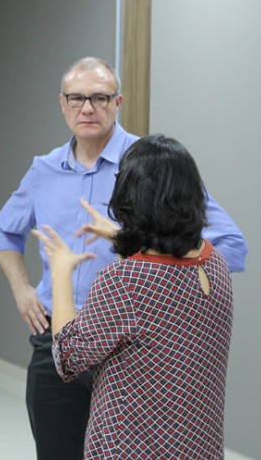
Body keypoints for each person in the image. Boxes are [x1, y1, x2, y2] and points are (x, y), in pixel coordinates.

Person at [0, 57, 248, 460]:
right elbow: (3, 231)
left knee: (123, 446)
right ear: (62, 103)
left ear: (118, 102)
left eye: (99, 98)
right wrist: (23, 290)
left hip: (135, 351)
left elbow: (229, 243)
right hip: (57, 339)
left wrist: (147, 271)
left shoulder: (149, 167)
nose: (87, 109)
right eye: (76, 99)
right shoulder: (43, 171)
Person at [34, 134, 234, 459]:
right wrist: (120, 236)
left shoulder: (126, 280)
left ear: (130, 195)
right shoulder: (214, 263)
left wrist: (61, 271)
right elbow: (167, 261)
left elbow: (67, 357)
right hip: (198, 447)